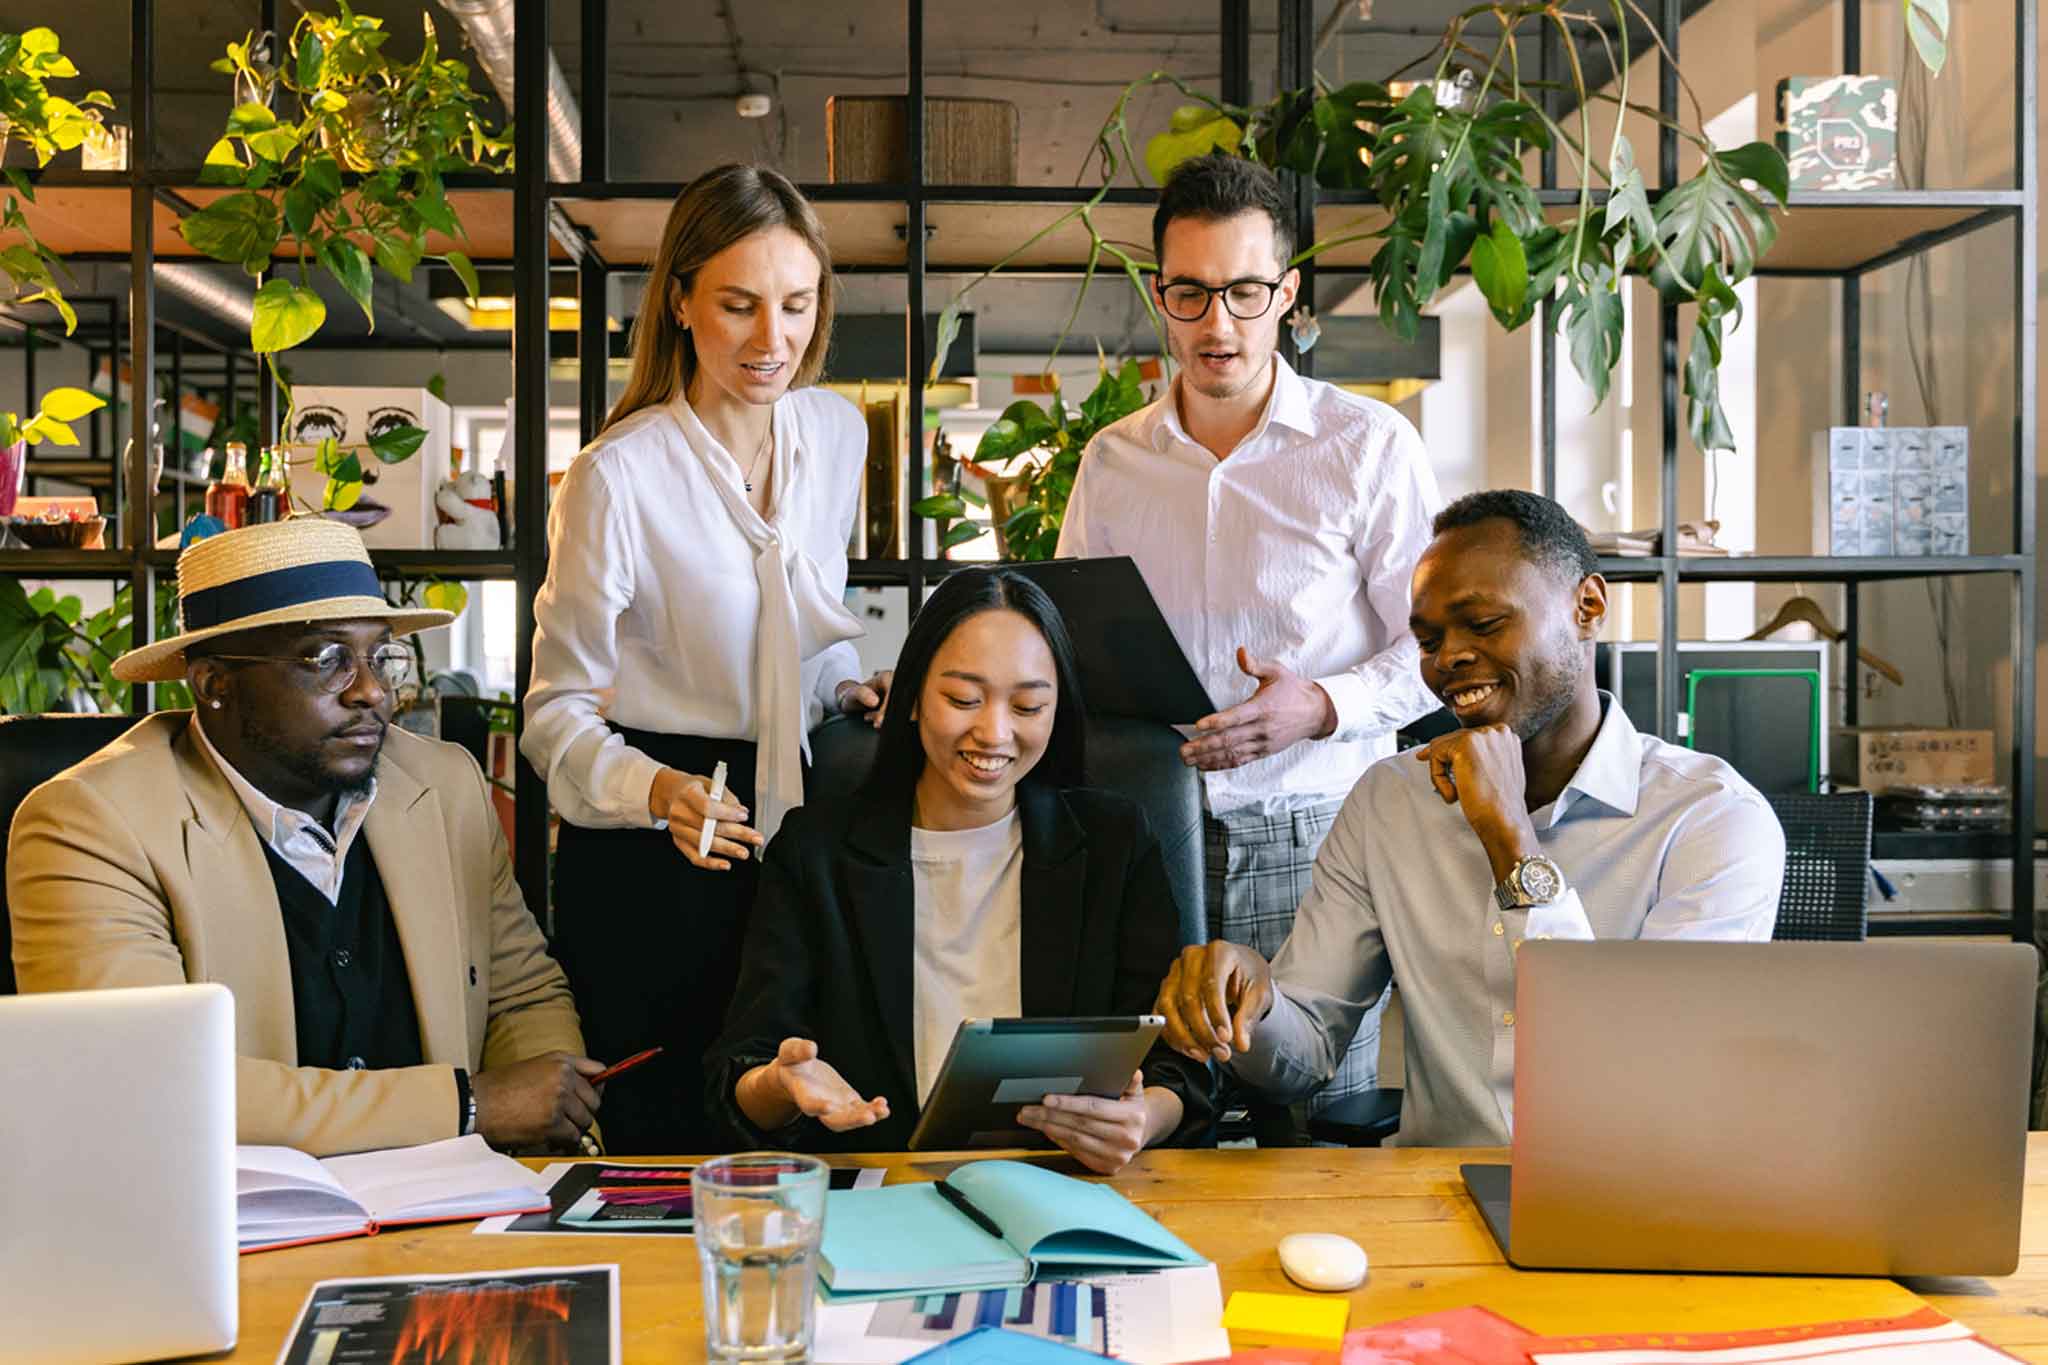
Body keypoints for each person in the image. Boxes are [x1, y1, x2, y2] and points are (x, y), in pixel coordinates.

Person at [1155, 491, 1786, 1147]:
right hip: (1439, 1194)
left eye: (1483, 624)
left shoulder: (1711, 819)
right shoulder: (1389, 801)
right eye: (1428, 640)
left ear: (1588, 607)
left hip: (1628, 1191)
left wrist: (1510, 839)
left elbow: (1645, 1068)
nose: (1448, 658)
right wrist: (1256, 1004)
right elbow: (1306, 1051)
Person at [8, 519, 603, 1157]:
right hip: (241, 1210)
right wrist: (469, 1107)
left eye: (380, 657)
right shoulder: (92, 822)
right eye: (326, 659)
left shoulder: (443, 784)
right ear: (214, 683)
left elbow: (521, 997)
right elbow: (148, 1082)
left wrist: (557, 1138)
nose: (371, 692)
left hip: (460, 1197)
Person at [1056, 152, 1441, 1125]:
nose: (1216, 324)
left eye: (1243, 292)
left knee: (1316, 1127)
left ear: (1287, 293)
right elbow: (1060, 641)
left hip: (1318, 835)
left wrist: (1321, 704)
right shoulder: (1112, 461)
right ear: (1160, 294)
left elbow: (1435, 650)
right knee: (1147, 1118)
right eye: (1189, 293)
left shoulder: (1367, 446)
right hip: (1153, 837)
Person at [523, 164, 890, 1153]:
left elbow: (802, 640)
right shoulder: (617, 476)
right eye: (738, 305)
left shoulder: (835, 433)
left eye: (796, 305)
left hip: (796, 834)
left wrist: (846, 688)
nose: (773, 339)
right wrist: (657, 791)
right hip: (656, 842)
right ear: (680, 302)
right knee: (663, 1144)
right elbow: (551, 715)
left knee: (801, 1112)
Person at [705, 569, 1213, 1174]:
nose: (994, 733)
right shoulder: (817, 852)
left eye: (1028, 706)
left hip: (1069, 1186)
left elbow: (1181, 1058)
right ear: (912, 696)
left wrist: (1143, 1118)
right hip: (884, 1194)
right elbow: (741, 1074)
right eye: (964, 700)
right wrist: (781, 1085)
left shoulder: (1114, 843)